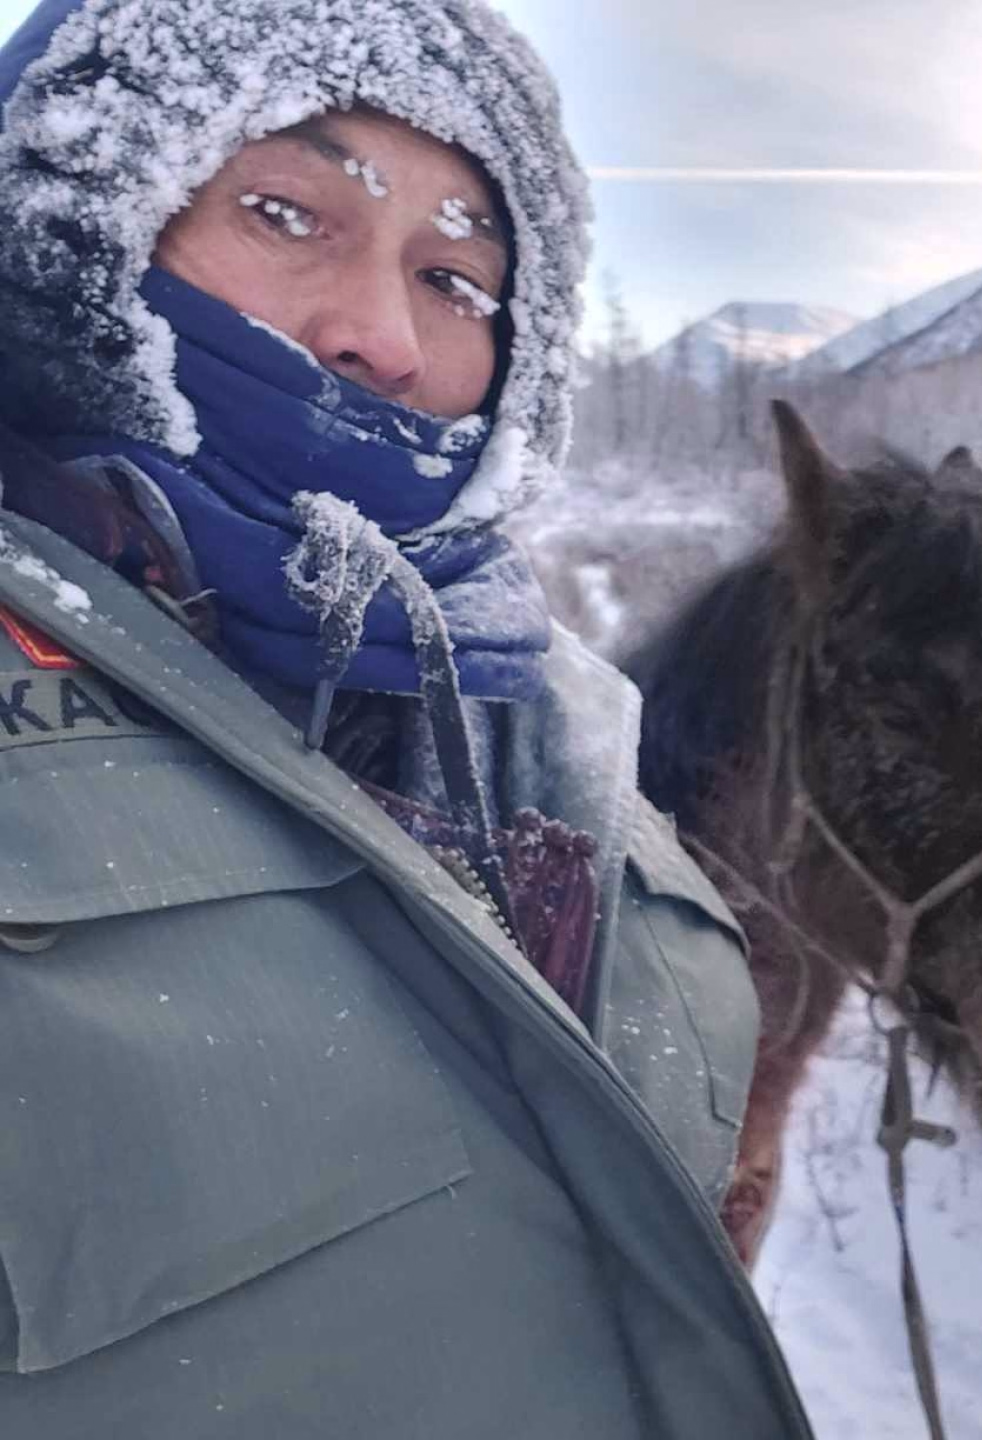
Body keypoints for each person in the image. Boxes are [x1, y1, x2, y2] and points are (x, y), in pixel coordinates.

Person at [0, 1, 815, 1435]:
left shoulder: (550, 722)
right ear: (82, 226)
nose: (380, 338)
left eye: (455, 278)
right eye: (285, 212)